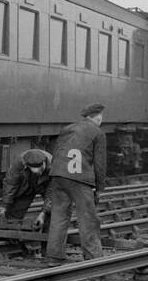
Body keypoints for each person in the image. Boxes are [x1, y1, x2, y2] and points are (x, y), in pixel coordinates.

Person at [45, 104, 107, 262]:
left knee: (58, 216)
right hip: (79, 179)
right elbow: (100, 164)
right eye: (101, 117)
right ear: (97, 117)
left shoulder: (67, 129)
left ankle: (54, 255)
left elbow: (57, 151)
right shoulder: (97, 133)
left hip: (58, 175)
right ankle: (93, 256)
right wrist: (99, 188)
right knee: (87, 217)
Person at [2, 148, 53, 224]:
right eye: (35, 172)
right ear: (27, 166)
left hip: (47, 184)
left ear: (43, 164)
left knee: (53, 211)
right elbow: (11, 184)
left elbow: (53, 192)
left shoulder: (54, 166)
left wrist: (43, 213)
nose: (38, 173)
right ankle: (13, 230)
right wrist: (4, 207)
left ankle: (48, 233)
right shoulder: (18, 163)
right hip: (27, 185)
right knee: (15, 212)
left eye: (40, 171)